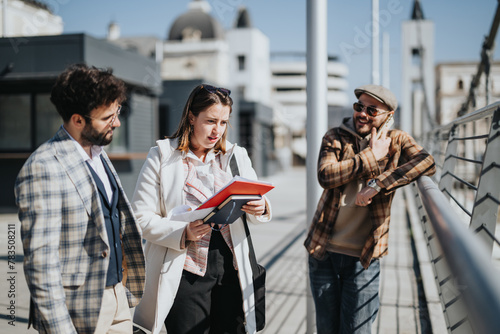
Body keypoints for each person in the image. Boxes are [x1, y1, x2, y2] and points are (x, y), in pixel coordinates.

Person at [15, 64, 146, 334]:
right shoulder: (43, 166)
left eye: (117, 112)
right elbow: (41, 264)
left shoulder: (99, 153)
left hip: (118, 297)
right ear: (78, 120)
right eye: (107, 117)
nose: (117, 123)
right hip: (78, 311)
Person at [131, 84, 272, 334]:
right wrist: (182, 231)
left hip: (232, 266)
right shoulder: (162, 156)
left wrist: (260, 206)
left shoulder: (235, 156)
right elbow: (141, 217)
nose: (217, 130)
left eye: (223, 122)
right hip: (185, 268)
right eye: (210, 121)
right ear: (192, 117)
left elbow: (257, 205)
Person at [305, 84, 436, 334]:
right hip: (323, 250)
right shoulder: (335, 135)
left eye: (372, 110)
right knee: (326, 329)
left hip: (364, 257)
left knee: (357, 330)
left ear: (388, 116)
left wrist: (377, 185)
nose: (362, 114)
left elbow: (426, 163)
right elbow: (325, 176)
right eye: (359, 107)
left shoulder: (397, 140)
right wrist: (370, 157)